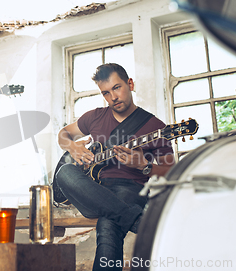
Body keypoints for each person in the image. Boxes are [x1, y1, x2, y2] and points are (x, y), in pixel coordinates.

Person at [55, 63, 175, 270]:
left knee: (108, 224)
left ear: (130, 84)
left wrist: (145, 166)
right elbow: (63, 134)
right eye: (106, 93)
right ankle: (138, 222)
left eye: (117, 88)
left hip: (129, 190)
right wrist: (72, 147)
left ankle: (127, 216)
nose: (113, 97)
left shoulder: (156, 127)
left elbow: (171, 173)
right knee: (64, 172)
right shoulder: (94, 116)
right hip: (92, 189)